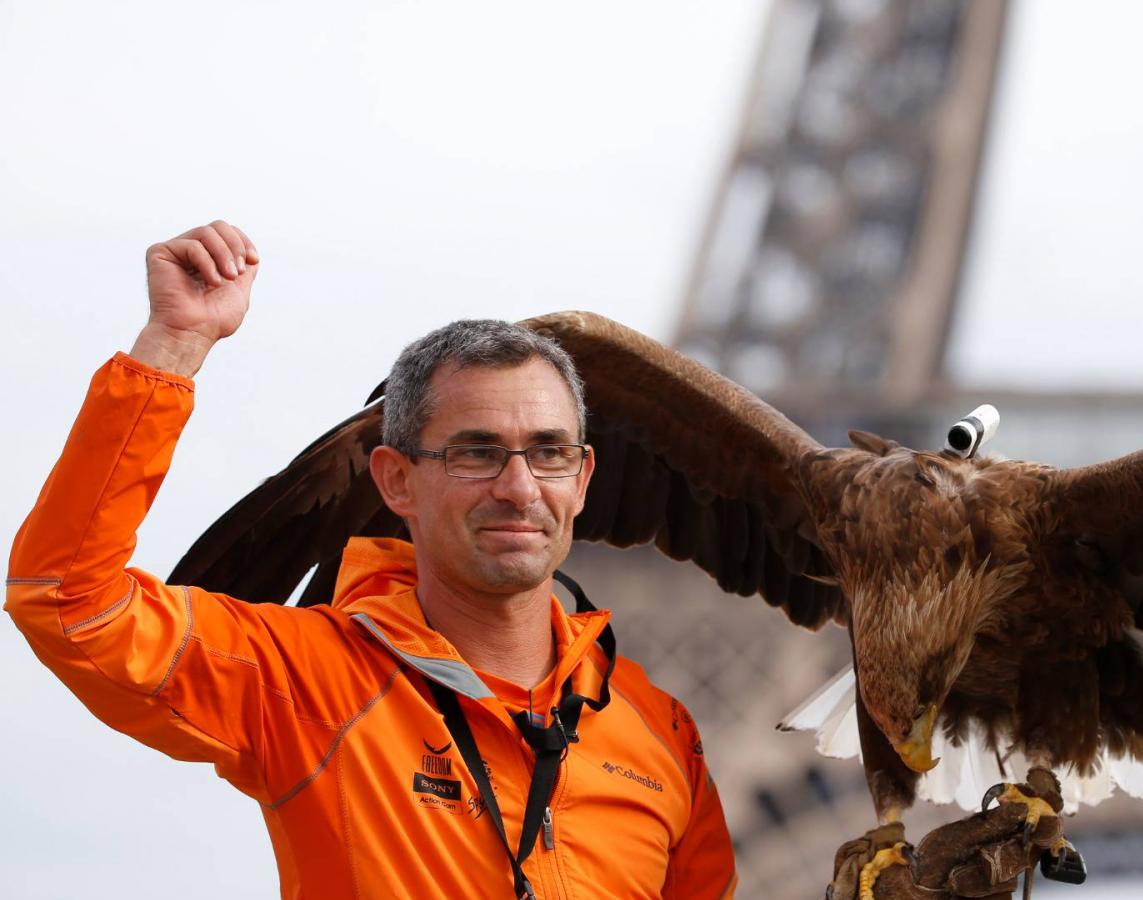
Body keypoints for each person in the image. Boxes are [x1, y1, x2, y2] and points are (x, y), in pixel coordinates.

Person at [7, 221, 736, 899]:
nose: (518, 487)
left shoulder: (662, 731)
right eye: (475, 452)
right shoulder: (303, 682)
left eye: (549, 453)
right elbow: (66, 597)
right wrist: (173, 344)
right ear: (392, 480)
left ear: (583, 479)